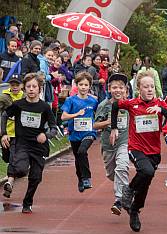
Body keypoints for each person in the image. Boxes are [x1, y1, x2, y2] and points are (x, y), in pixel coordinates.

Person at [109, 70, 167, 232]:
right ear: (139, 88)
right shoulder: (131, 103)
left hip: (154, 151)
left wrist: (161, 111)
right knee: (146, 171)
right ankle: (128, 190)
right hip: (136, 148)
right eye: (145, 87)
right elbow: (114, 105)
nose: (149, 90)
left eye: (152, 87)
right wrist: (114, 128)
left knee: (146, 182)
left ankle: (134, 210)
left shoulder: (160, 104)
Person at [0, 73, 57, 213]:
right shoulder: (19, 104)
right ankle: (12, 180)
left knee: (36, 177)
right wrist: (4, 134)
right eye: (28, 87)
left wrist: (46, 134)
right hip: (22, 144)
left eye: (34, 87)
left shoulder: (44, 107)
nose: (31, 89)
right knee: (20, 169)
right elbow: (4, 115)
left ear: (39, 89)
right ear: (24, 89)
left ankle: (27, 202)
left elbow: (54, 128)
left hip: (39, 147)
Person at [94, 73, 130, 216]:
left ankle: (119, 200)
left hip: (124, 142)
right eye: (114, 87)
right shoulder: (104, 105)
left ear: (126, 90)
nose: (118, 90)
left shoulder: (129, 105)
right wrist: (110, 121)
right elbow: (95, 125)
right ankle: (123, 188)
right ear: (109, 89)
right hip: (108, 145)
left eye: (121, 88)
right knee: (111, 174)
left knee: (122, 166)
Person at [61, 72, 98, 193]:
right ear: (76, 85)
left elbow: (99, 114)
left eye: (86, 85)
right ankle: (80, 179)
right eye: (81, 84)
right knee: (78, 158)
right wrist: (76, 114)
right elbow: (63, 117)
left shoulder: (93, 101)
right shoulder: (70, 100)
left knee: (82, 151)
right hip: (75, 133)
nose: (83, 87)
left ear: (90, 86)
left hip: (89, 132)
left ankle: (87, 178)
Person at [0, 74, 24, 198]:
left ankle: (10, 182)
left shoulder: (24, 97)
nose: (15, 87)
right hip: (6, 133)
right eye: (12, 85)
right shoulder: (4, 97)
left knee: (13, 158)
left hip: (19, 134)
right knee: (6, 158)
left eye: (17, 85)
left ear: (22, 85)